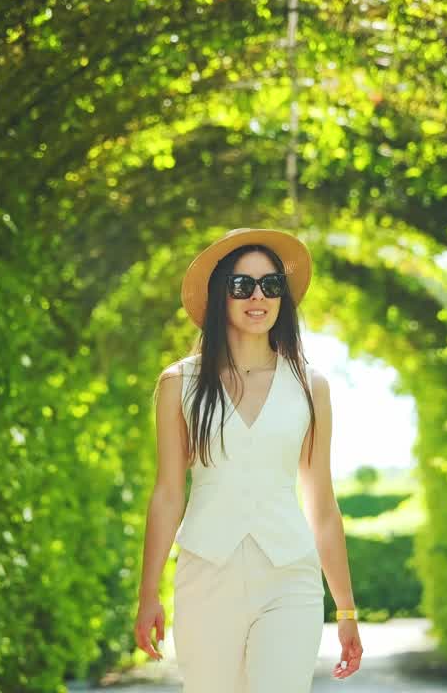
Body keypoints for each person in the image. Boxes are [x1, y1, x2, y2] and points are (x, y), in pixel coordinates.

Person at [133, 228, 364, 691]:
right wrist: (147, 593)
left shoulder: (310, 386)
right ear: (221, 296)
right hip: (206, 576)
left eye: (271, 285)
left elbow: (321, 505)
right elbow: (168, 493)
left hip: (290, 576)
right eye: (242, 286)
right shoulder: (180, 383)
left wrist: (346, 608)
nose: (258, 296)